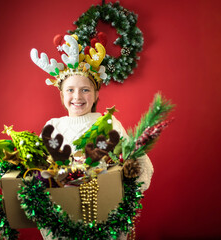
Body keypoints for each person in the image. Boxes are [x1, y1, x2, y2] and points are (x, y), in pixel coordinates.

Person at [31, 34, 153, 239]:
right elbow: (38, 169)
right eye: (70, 90)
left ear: (96, 95)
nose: (77, 97)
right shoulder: (52, 127)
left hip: (106, 224)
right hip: (62, 225)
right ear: (61, 94)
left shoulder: (108, 123)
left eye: (85, 90)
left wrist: (127, 196)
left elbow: (142, 163)